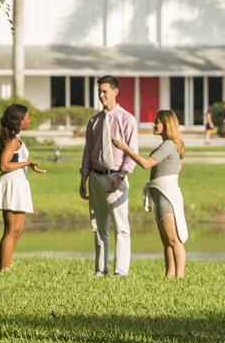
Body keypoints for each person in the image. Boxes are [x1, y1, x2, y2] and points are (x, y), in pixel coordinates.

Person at [113, 109, 188, 279]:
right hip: (161, 195)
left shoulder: (169, 145)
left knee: (174, 240)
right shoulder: (169, 145)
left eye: (157, 122)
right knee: (166, 241)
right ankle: (170, 276)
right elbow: (178, 167)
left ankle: (180, 278)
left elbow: (146, 164)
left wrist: (126, 149)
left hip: (166, 196)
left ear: (167, 124)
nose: (154, 124)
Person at [79, 75, 138, 277]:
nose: (101, 95)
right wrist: (83, 179)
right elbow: (87, 152)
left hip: (116, 178)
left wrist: (121, 176)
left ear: (115, 91)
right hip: (96, 176)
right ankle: (100, 270)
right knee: (98, 226)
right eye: (99, 92)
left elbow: (132, 152)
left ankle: (120, 271)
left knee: (121, 227)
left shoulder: (127, 120)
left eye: (105, 91)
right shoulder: (94, 121)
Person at [0, 103, 45, 270]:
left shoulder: (13, 137)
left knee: (18, 229)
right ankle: (4, 268)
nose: (29, 119)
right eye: (27, 117)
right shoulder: (13, 140)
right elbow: (3, 165)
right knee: (11, 230)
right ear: (19, 120)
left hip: (18, 182)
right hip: (12, 183)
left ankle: (7, 264)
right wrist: (27, 163)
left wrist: (27, 166)